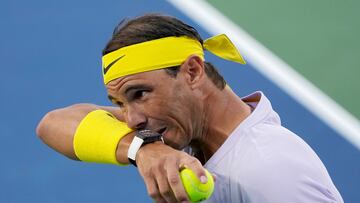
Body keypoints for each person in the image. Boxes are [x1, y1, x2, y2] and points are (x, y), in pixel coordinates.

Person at [36, 14, 343, 203]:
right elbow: (53, 124)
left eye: (139, 93)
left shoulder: (270, 169)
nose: (131, 120)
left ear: (193, 72)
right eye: (120, 104)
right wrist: (141, 151)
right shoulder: (180, 137)